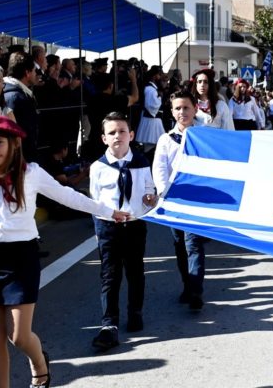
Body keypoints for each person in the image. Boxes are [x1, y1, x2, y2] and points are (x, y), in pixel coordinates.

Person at [0, 116, 130, 388]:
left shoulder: (31, 173)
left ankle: (40, 364)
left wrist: (108, 212)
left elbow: (68, 196)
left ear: (14, 144)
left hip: (22, 258)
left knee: (18, 335)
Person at [89, 112, 157, 351]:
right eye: (112, 133)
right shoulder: (97, 167)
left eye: (122, 131)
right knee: (110, 274)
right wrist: (99, 228)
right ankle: (109, 323)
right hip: (109, 226)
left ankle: (135, 311)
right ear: (103, 138)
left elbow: (149, 190)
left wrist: (150, 198)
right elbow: (94, 202)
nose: (117, 136)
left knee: (136, 269)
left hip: (136, 224)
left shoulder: (141, 162)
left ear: (131, 135)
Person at [153, 91, 208, 311]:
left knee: (193, 244)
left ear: (195, 108)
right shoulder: (166, 139)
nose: (182, 112)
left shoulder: (205, 136)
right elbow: (159, 168)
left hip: (197, 200)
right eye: (177, 108)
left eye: (186, 107)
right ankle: (187, 284)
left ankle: (196, 290)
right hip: (173, 200)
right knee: (179, 246)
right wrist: (164, 193)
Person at [136, 66, 166, 146]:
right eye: (159, 74)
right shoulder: (150, 89)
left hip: (153, 119)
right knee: (151, 145)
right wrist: (160, 97)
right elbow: (152, 105)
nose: (161, 76)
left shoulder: (152, 88)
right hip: (151, 120)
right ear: (154, 76)